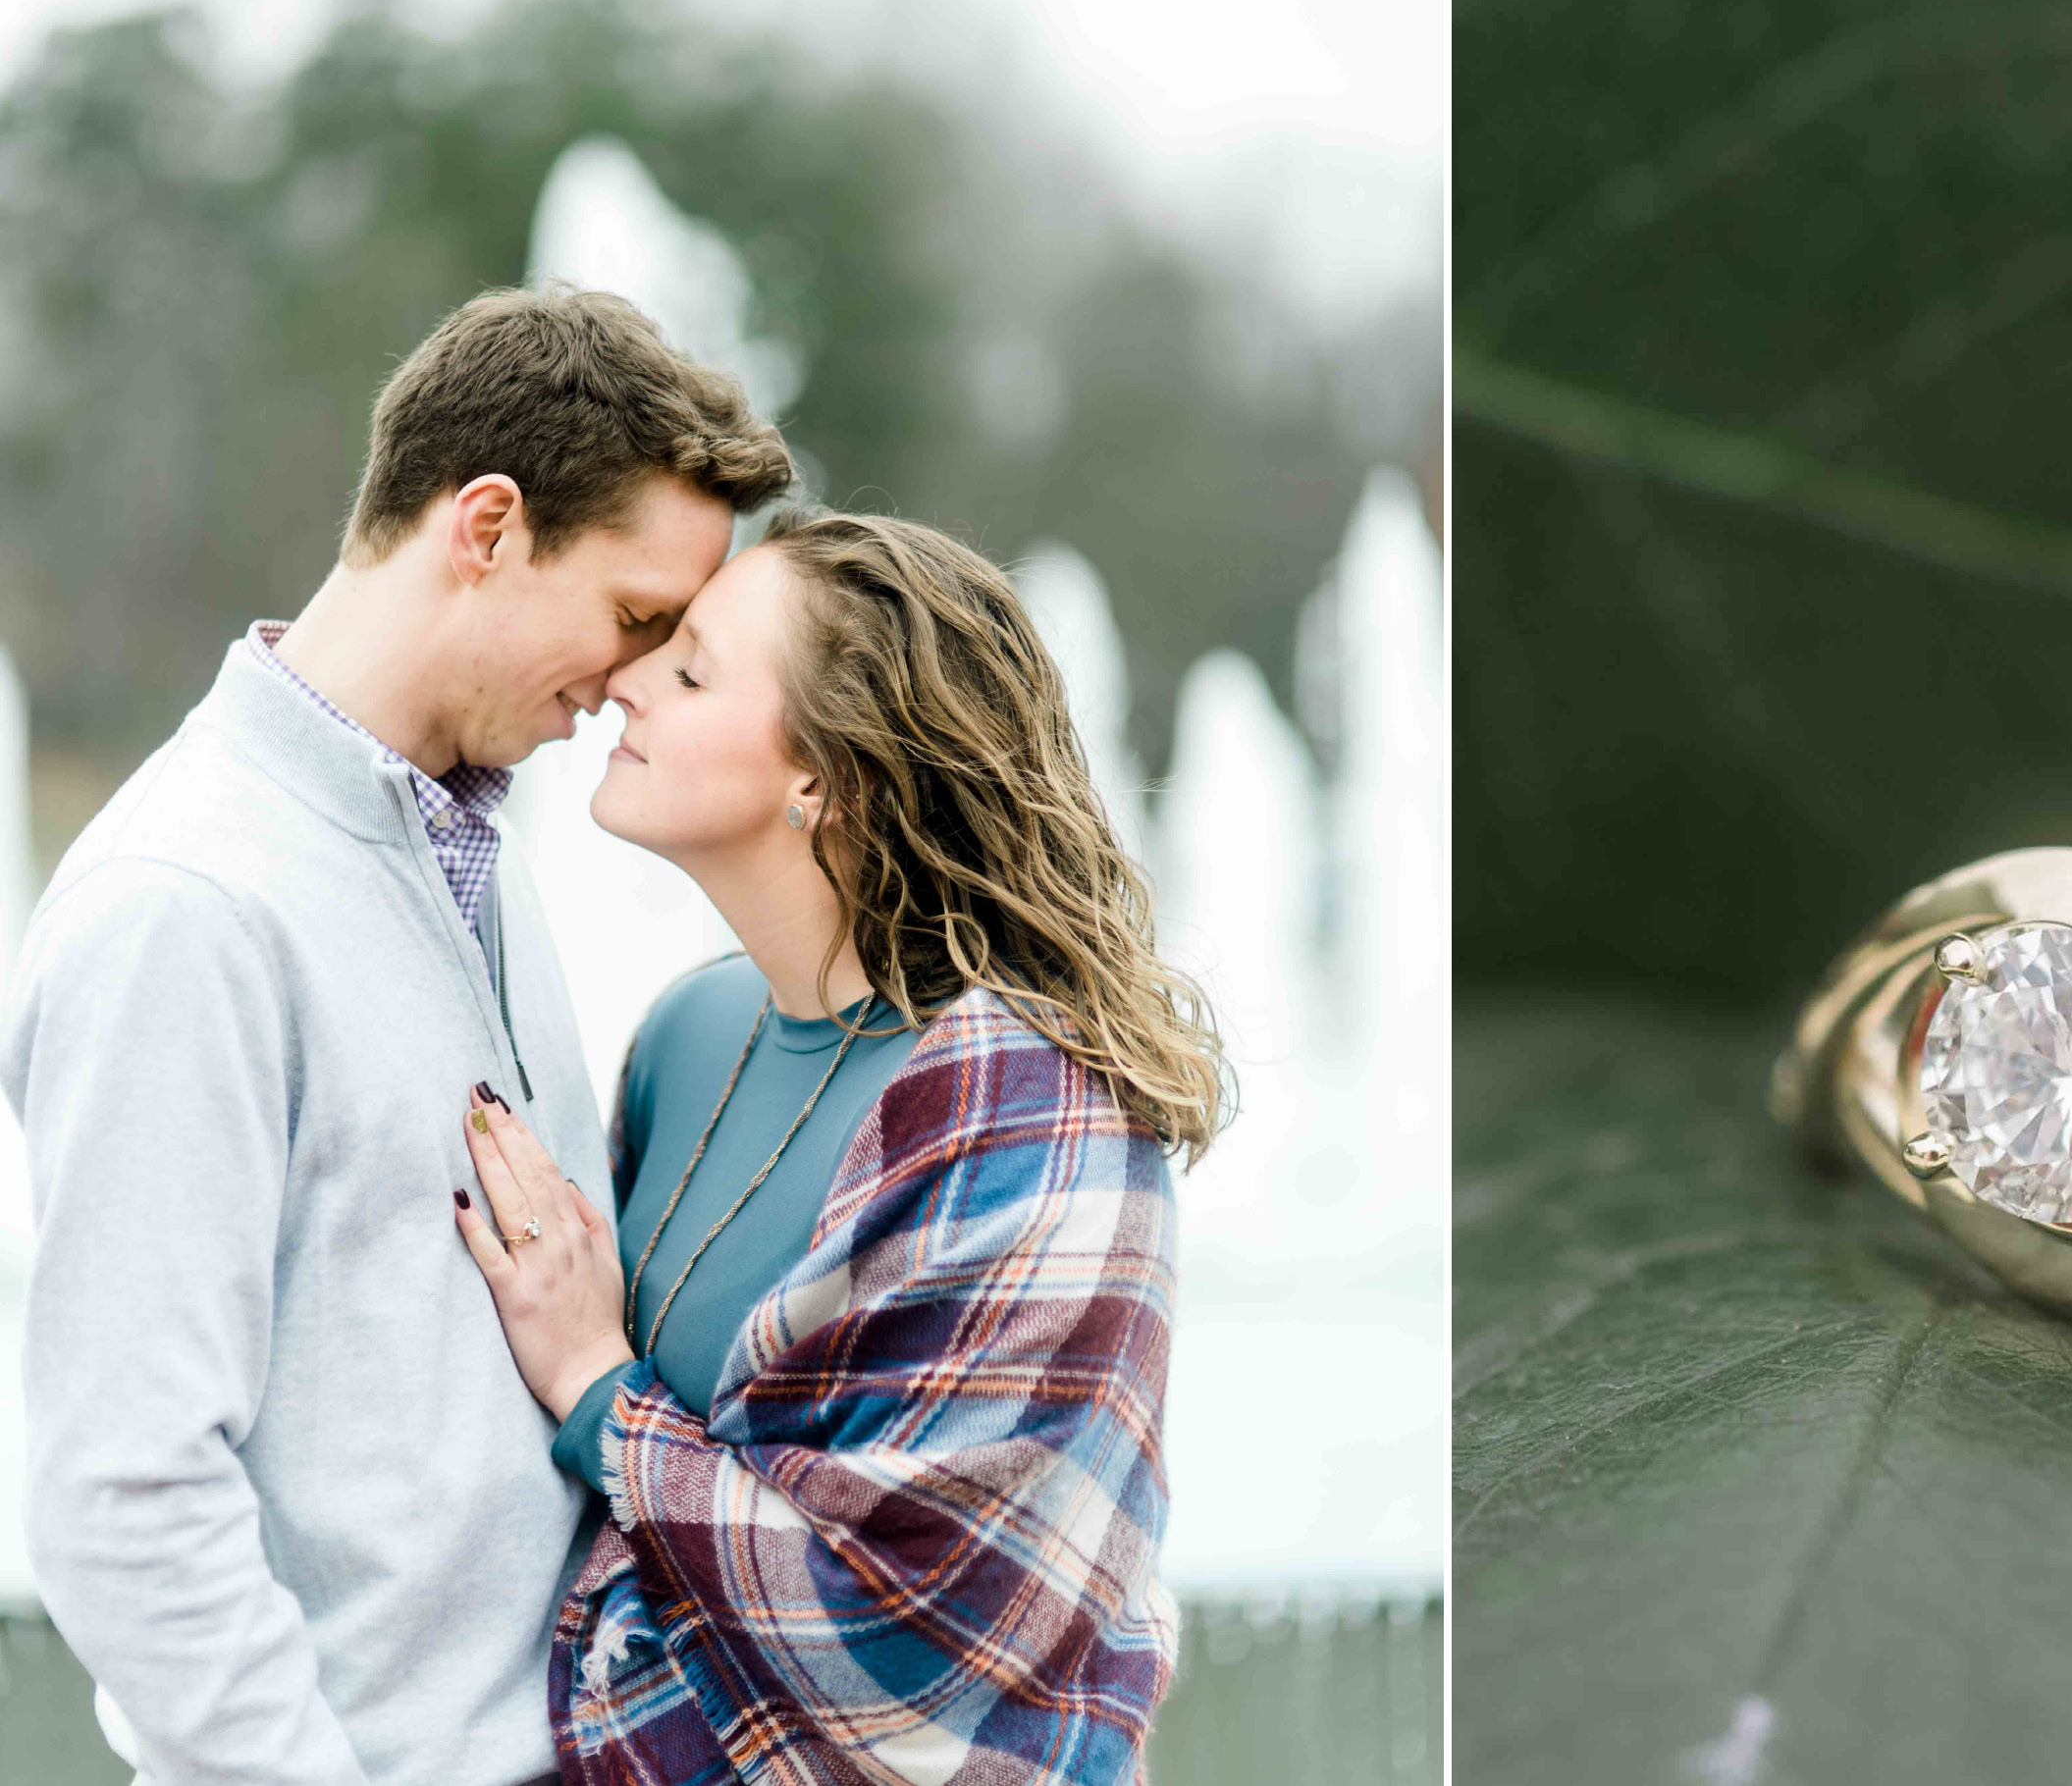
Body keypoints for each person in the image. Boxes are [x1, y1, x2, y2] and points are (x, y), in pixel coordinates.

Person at [0, 285, 793, 1786]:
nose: (636, 683)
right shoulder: (185, 903)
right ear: (485, 527)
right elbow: (123, 1492)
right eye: (635, 618)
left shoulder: (471, 847)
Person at [448, 507, 1221, 1784]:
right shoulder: (687, 1035)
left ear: (825, 777)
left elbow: (925, 1617)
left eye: (688, 669)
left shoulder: (1032, 1105)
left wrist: (598, 1383)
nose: (621, 681)